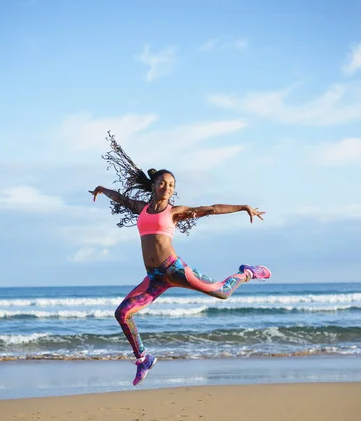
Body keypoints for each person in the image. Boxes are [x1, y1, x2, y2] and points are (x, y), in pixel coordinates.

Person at [89, 133, 271, 387]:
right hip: (154, 278)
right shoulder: (141, 208)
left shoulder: (175, 212)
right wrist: (102, 189)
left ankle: (250, 272)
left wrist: (242, 207)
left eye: (172, 185)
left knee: (222, 293)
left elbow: (211, 208)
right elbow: (121, 198)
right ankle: (143, 359)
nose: (167, 188)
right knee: (122, 313)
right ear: (153, 185)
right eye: (163, 183)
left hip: (174, 269)